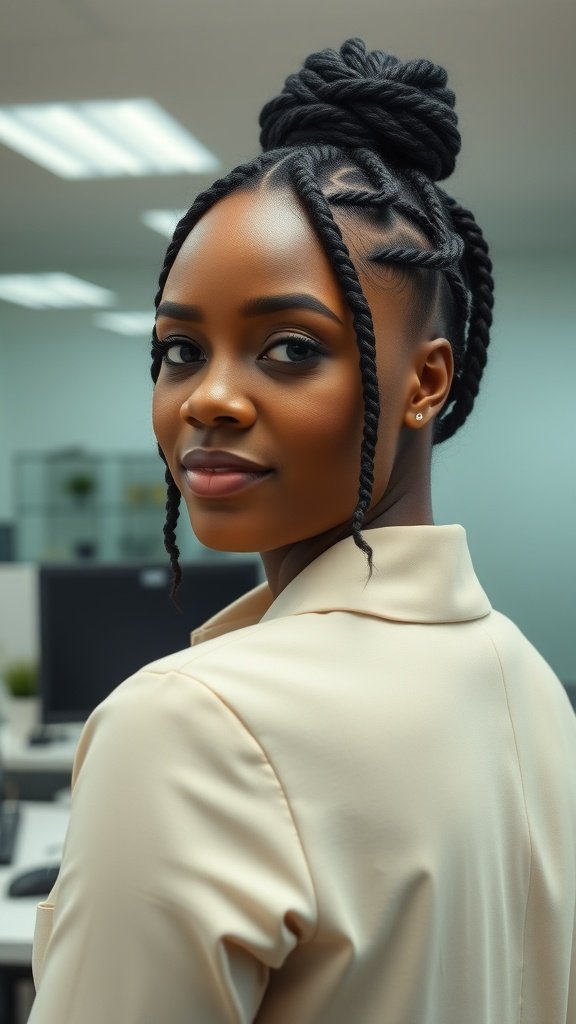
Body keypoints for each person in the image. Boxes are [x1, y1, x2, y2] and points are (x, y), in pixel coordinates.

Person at [30, 39, 576, 1024]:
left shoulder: (191, 731)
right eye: (180, 349)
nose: (211, 399)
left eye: (290, 348)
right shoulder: (525, 678)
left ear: (427, 381)